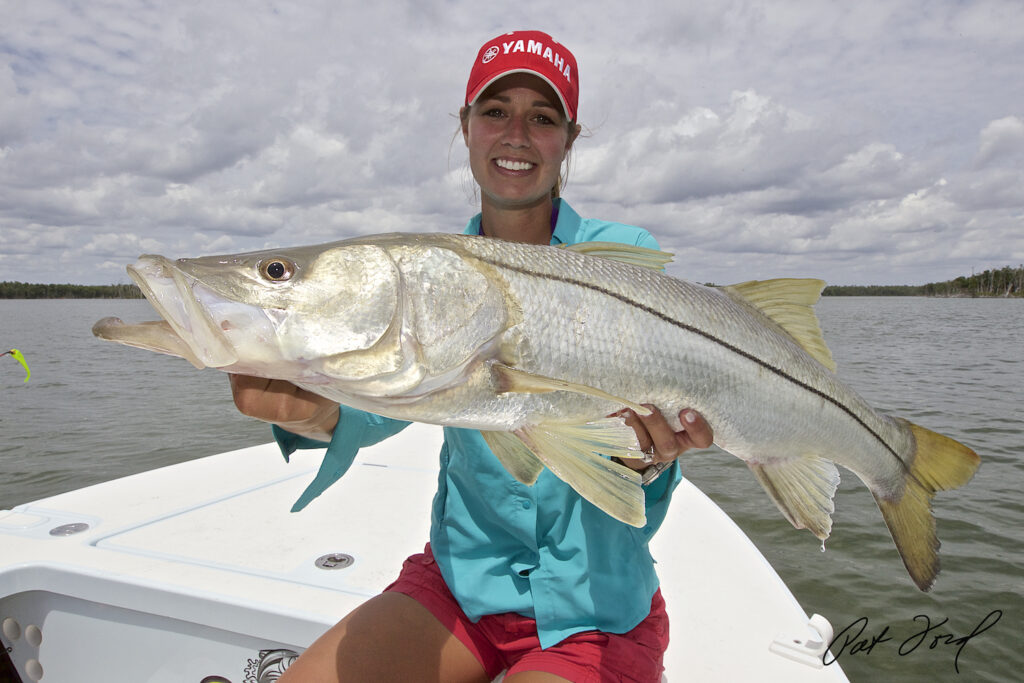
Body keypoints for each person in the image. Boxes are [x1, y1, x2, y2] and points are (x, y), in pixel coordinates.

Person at [230, 30, 713, 683]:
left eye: (541, 118)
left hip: (597, 610)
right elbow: (376, 403)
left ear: (568, 139)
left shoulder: (621, 256)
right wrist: (307, 410)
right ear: (465, 128)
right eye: (495, 112)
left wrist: (652, 454)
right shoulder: (427, 274)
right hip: (460, 588)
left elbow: (649, 453)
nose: (516, 133)